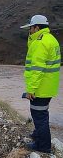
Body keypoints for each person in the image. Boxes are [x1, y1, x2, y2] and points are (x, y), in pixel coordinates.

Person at [20, 15, 61, 153]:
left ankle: (43, 147)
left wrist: (31, 89)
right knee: (42, 114)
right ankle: (38, 135)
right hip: (48, 86)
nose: (30, 31)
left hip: (40, 87)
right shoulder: (51, 39)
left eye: (31, 28)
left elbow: (37, 69)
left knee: (39, 116)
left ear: (37, 27)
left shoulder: (40, 42)